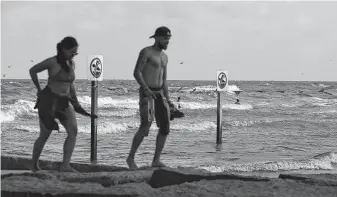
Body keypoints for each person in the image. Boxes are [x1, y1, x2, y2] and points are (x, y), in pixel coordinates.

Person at [29, 36, 97, 172]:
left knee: (73, 131)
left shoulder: (72, 64)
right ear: (63, 49)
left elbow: (70, 84)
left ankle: (65, 165)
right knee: (44, 135)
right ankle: (34, 164)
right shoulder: (52, 62)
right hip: (48, 102)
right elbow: (33, 70)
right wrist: (39, 89)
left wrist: (76, 102)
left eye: (75, 53)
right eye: (72, 52)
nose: (73, 55)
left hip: (64, 102)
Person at [126, 26, 173, 169]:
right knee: (145, 126)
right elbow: (136, 72)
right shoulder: (146, 52)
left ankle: (156, 160)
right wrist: (145, 88)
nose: (167, 42)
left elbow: (164, 80)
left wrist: (168, 99)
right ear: (157, 38)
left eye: (169, 39)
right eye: (165, 38)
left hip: (159, 93)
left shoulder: (165, 57)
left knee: (165, 127)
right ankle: (130, 158)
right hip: (147, 92)